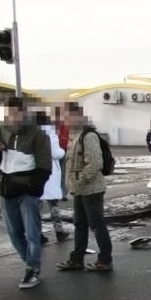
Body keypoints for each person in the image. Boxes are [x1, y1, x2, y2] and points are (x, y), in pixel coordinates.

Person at [0, 96, 52, 289]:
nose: (12, 117)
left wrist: (34, 189)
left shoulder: (38, 134)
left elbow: (44, 165)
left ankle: (32, 268)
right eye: (9, 113)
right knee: (14, 233)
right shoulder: (1, 130)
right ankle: (29, 264)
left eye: (15, 113)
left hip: (27, 191)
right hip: (6, 189)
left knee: (32, 232)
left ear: (24, 113)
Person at [56, 102, 112, 272]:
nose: (64, 120)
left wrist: (80, 180)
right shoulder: (74, 136)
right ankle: (77, 259)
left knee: (97, 224)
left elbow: (95, 163)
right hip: (79, 189)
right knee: (80, 224)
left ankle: (105, 260)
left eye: (67, 115)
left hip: (91, 189)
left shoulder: (88, 136)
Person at [35, 111, 68, 243]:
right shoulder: (49, 133)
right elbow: (56, 153)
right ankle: (59, 231)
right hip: (49, 172)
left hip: (36, 172)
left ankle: (37, 233)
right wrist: (63, 151)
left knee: (36, 207)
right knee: (53, 204)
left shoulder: (31, 133)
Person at [54, 104, 70, 201]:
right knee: (56, 174)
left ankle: (62, 193)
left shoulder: (65, 126)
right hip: (54, 152)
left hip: (63, 150)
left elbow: (68, 137)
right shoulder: (51, 126)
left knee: (63, 173)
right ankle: (57, 193)